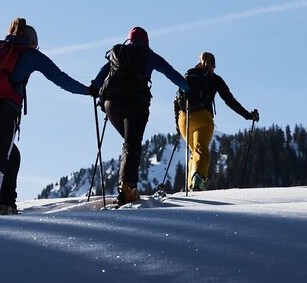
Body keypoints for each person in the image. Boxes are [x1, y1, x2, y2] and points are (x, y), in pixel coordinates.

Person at [0, 18, 91, 216]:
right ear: (32, 42)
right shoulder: (30, 55)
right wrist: (89, 90)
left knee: (11, 157)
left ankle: (7, 205)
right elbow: (60, 78)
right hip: (3, 111)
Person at [91, 26, 190, 206]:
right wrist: (187, 89)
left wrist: (93, 88)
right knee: (132, 143)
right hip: (136, 101)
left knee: (130, 142)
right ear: (146, 41)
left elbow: (100, 76)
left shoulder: (117, 53)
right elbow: (170, 72)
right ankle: (127, 188)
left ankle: (126, 186)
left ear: (129, 40)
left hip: (111, 104)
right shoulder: (147, 55)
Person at [177, 52, 259, 191]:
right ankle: (198, 179)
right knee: (201, 150)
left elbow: (176, 100)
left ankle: (191, 183)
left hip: (184, 119)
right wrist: (247, 115)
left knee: (194, 151)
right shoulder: (214, 79)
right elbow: (229, 100)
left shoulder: (188, 75)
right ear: (214, 65)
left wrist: (177, 125)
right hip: (204, 117)